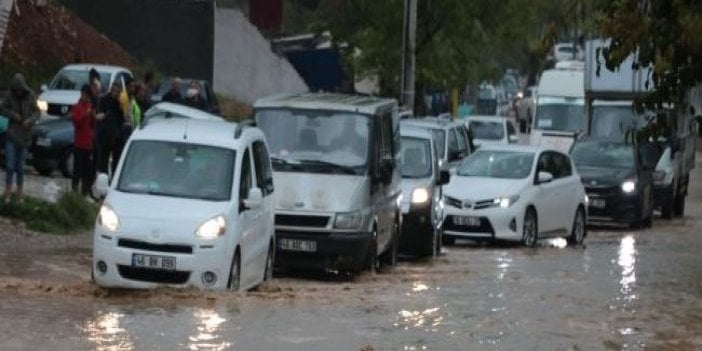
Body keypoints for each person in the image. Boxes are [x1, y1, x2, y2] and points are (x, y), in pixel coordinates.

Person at [0, 73, 39, 203]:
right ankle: (7, 192)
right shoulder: (9, 96)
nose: (18, 92)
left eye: (19, 89)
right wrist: (13, 115)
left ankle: (19, 193)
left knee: (20, 167)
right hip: (12, 135)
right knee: (10, 165)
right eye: (16, 89)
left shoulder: (31, 95)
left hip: (25, 136)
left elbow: (37, 112)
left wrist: (30, 120)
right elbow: (2, 109)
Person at [95, 83, 125, 176]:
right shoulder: (104, 100)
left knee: (116, 162)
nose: (115, 93)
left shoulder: (121, 102)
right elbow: (100, 115)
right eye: (114, 90)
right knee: (103, 162)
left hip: (117, 136)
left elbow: (123, 118)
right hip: (106, 135)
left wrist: (121, 106)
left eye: (117, 91)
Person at [70, 84, 95, 196]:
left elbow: (93, 125)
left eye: (87, 95)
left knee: (87, 172)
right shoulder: (76, 107)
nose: (85, 97)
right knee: (77, 171)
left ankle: (84, 193)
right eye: (84, 94)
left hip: (88, 144)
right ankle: (74, 193)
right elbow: (76, 123)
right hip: (79, 144)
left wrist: (94, 116)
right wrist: (85, 114)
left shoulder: (91, 106)